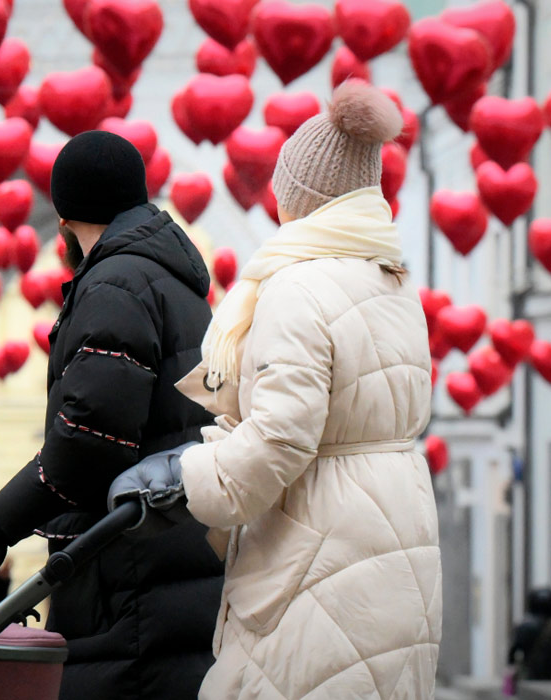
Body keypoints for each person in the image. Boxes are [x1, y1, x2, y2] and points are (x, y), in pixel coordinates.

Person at [113, 80, 442, 698]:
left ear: (302, 196)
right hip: (393, 533)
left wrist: (190, 476)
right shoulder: (389, 278)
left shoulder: (299, 286)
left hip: (319, 545)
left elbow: (282, 440)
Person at [0, 130, 223, 699]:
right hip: (176, 554)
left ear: (64, 218)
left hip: (122, 567)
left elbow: (87, 440)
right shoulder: (175, 282)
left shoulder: (114, 285)